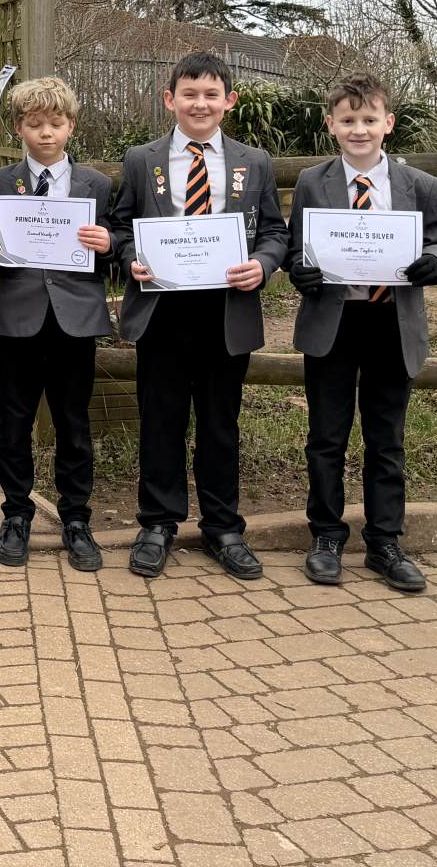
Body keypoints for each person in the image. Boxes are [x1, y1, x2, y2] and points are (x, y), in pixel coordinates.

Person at [109, 51, 287, 581]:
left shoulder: (255, 162)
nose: (200, 104)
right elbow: (121, 227)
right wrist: (129, 259)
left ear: (230, 101)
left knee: (220, 424)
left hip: (225, 312)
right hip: (162, 310)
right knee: (160, 422)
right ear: (170, 99)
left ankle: (222, 527)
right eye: (189, 94)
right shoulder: (141, 160)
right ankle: (157, 524)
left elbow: (275, 232)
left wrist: (262, 265)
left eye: (211, 95)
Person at [286, 73, 437, 592]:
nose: (358, 129)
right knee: (326, 436)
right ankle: (326, 535)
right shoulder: (312, 181)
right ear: (330, 125)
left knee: (386, 439)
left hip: (391, 323)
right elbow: (297, 247)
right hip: (334, 322)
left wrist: (435, 263)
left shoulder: (419, 185)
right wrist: (300, 271)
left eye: (368, 119)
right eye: (348, 120)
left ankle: (384, 541)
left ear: (388, 123)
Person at [0, 76, 114, 572]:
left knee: (73, 423)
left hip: (74, 321)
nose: (46, 133)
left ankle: (76, 518)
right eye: (35, 124)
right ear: (18, 128)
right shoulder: (0, 182)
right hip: (18, 318)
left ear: (71, 125)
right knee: (14, 422)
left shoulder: (97, 185)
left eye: (56, 123)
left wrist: (108, 245)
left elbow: (113, 246)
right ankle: (16, 514)